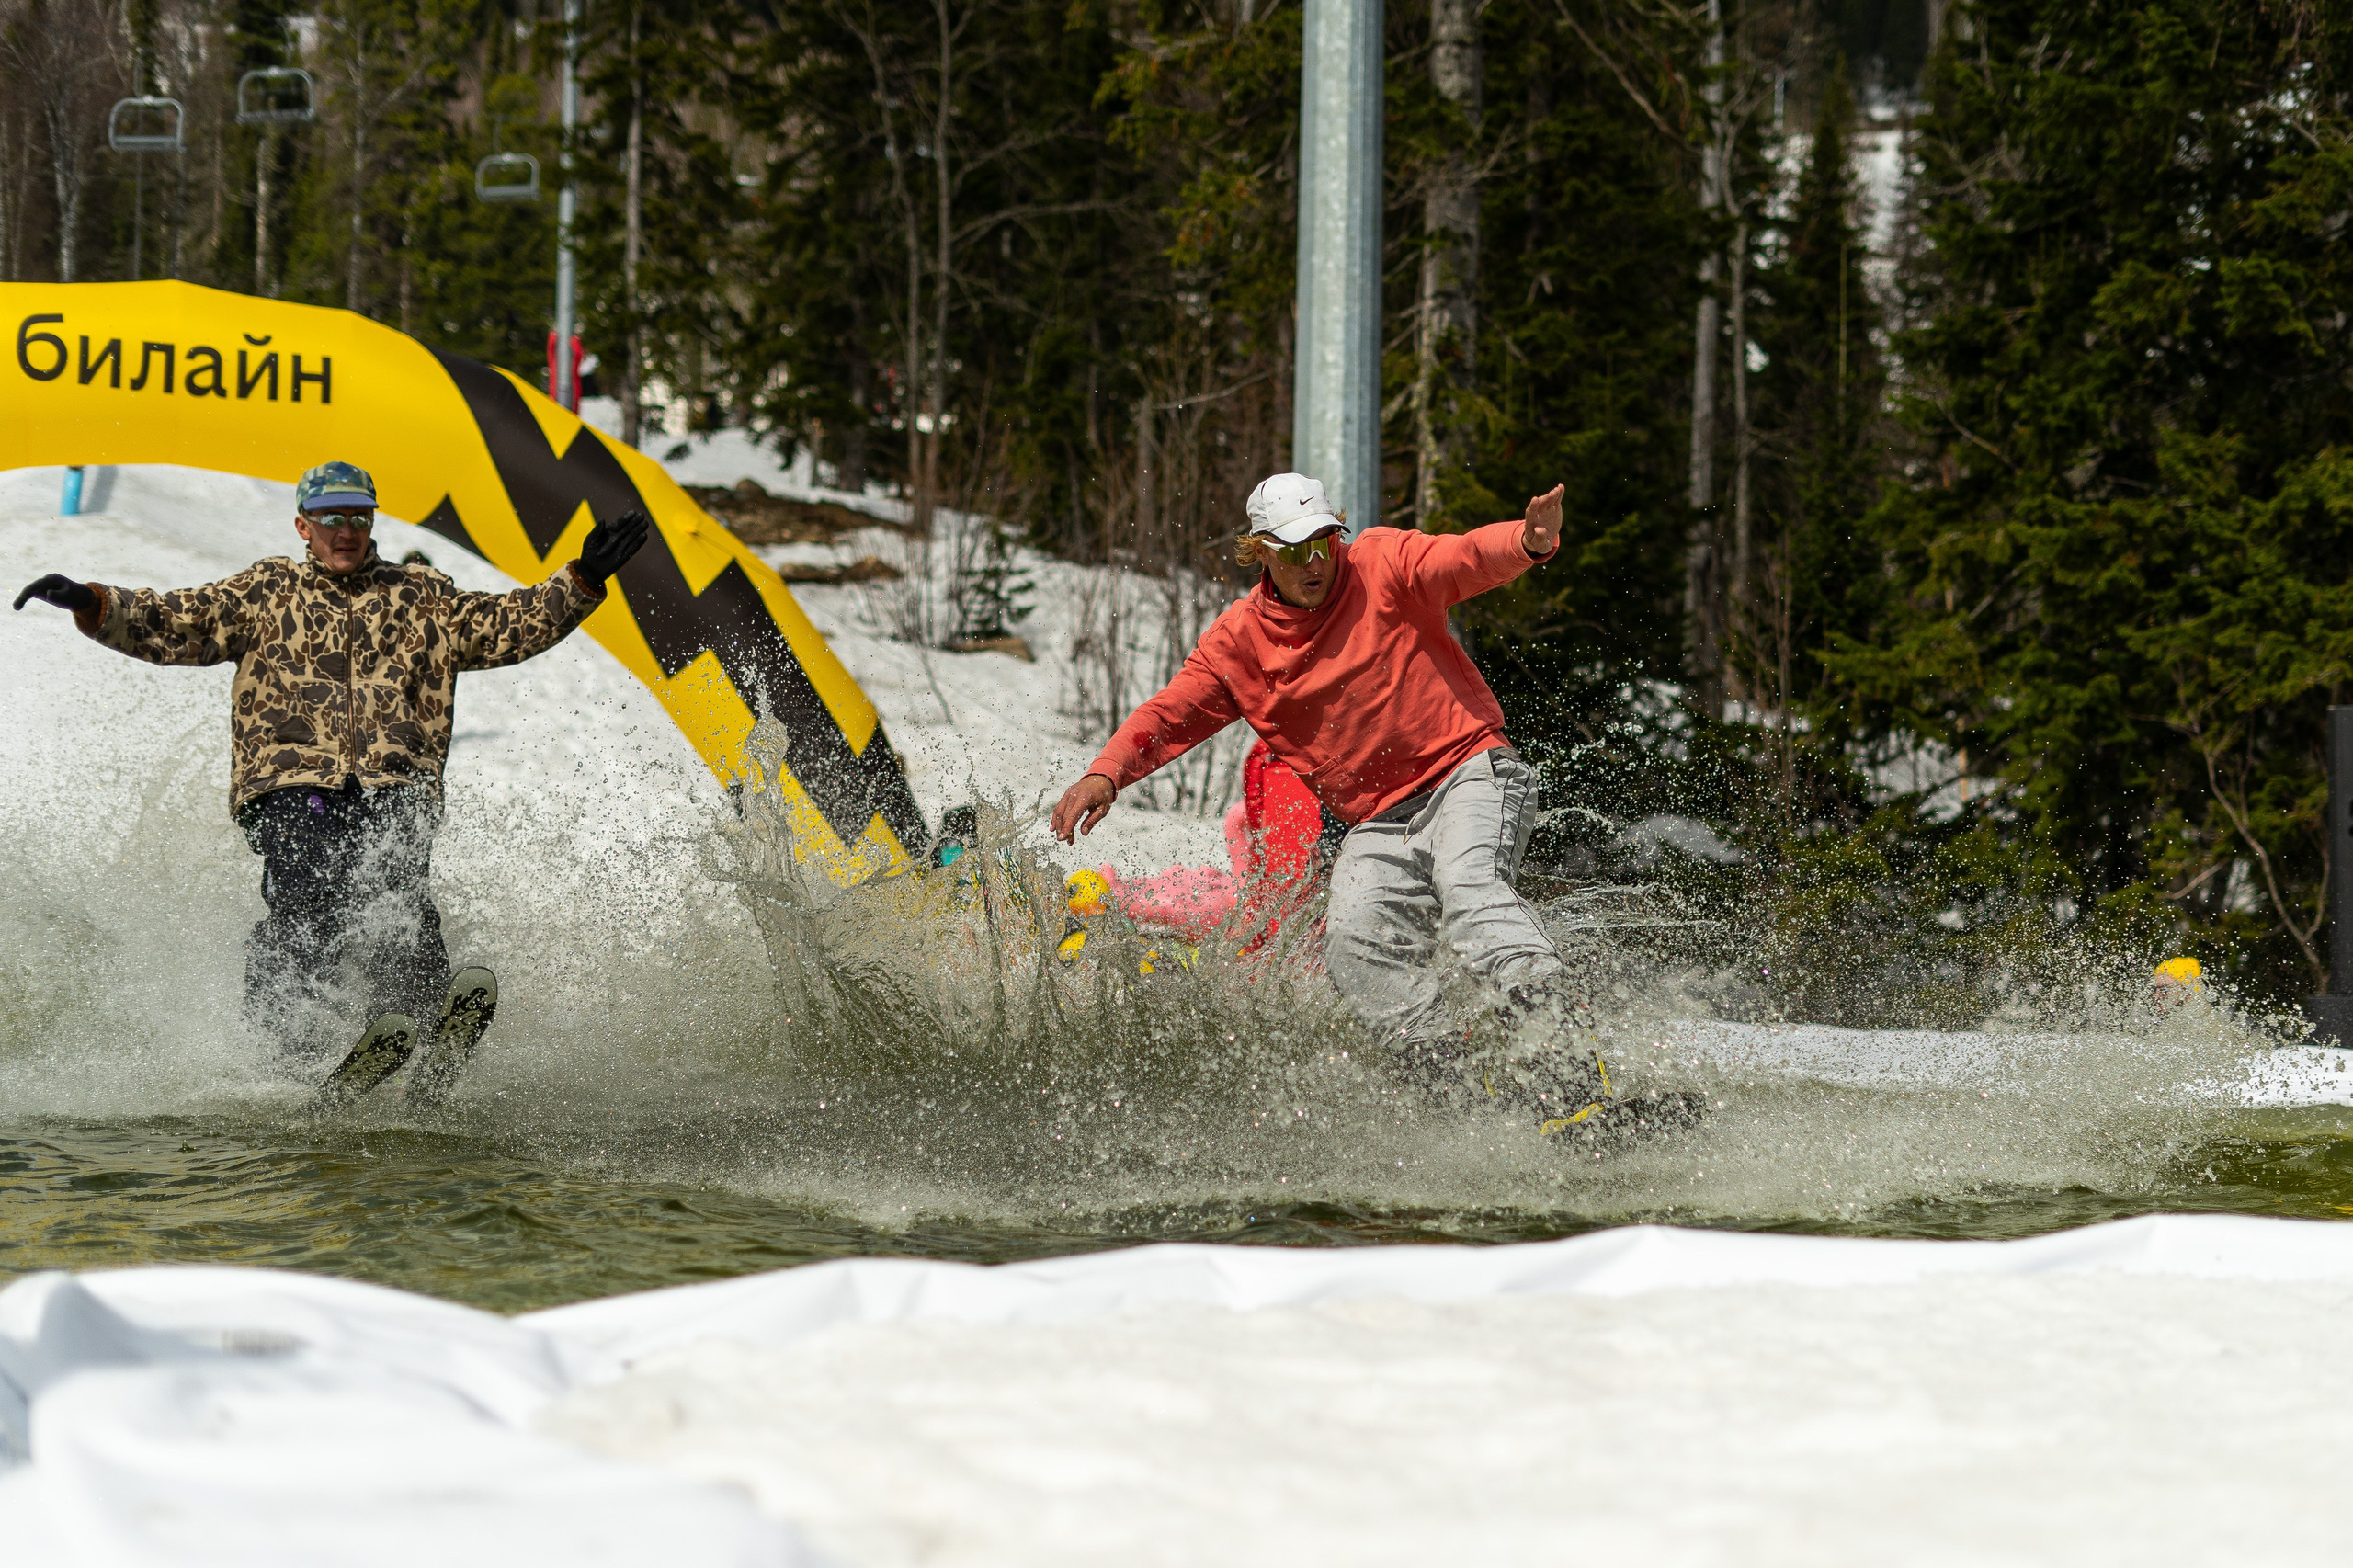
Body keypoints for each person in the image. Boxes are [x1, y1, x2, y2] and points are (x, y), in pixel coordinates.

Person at [1051, 472, 1637, 1138]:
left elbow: (1462, 558)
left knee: (1470, 888)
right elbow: (1170, 714)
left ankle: (1578, 1087)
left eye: (1324, 543)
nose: (1315, 563)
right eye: (1295, 550)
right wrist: (1106, 775)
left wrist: (1526, 542)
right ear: (1261, 552)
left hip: (1469, 773)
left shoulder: (1383, 563)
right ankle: (1470, 1111)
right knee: (1354, 942)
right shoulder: (1239, 643)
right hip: (1378, 821)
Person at [12, 460, 650, 1065]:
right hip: (291, 783)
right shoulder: (267, 592)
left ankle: (413, 1034)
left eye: (359, 518)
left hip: (395, 784)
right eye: (332, 519)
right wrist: (90, 601)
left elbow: (508, 625)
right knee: (311, 905)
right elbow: (177, 620)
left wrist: (582, 579)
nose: (347, 531)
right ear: (303, 525)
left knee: (401, 908)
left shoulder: (419, 596)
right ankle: (286, 1050)